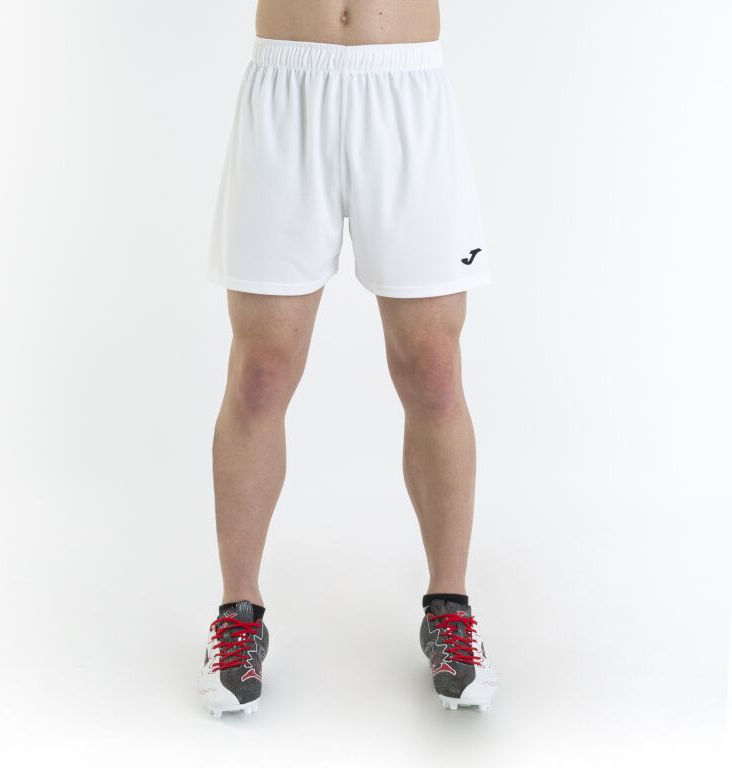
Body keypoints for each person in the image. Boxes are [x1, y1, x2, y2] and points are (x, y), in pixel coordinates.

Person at [197, 0, 497, 717]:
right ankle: (238, 615)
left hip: (404, 88)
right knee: (259, 373)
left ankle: (449, 608)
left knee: (434, 368)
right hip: (288, 88)